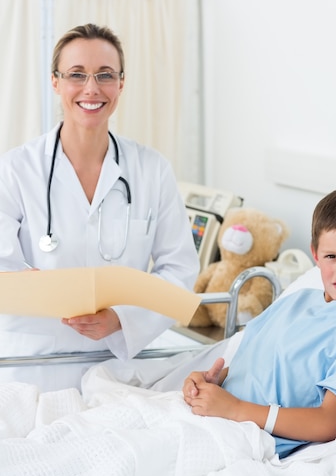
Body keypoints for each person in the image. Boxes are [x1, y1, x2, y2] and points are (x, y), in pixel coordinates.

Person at [0, 23, 199, 365]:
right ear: (55, 81)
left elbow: (179, 271)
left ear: (121, 83)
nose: (91, 89)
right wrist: (39, 289)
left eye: (105, 75)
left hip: (120, 364)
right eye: (77, 74)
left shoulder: (152, 170)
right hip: (34, 364)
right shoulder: (15, 170)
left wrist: (121, 318)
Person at [183, 187, 336, 458]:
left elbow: (328, 421)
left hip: (246, 438)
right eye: (332, 256)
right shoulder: (296, 300)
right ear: (315, 255)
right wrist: (211, 383)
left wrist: (234, 408)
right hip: (211, 416)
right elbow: (261, 367)